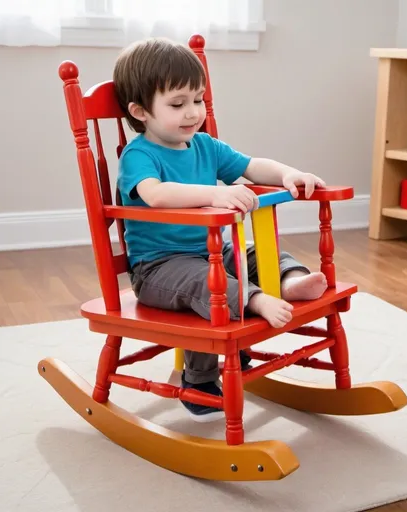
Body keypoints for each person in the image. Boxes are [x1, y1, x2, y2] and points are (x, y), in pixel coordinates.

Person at [113, 37, 328, 422]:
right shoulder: (139, 155)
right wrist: (215, 193)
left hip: (206, 253)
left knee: (252, 255)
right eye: (178, 104)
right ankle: (205, 373)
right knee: (209, 284)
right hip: (159, 268)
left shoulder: (205, 145)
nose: (193, 112)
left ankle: (290, 280)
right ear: (140, 111)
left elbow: (250, 166)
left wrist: (287, 173)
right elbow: (157, 195)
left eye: (197, 99)